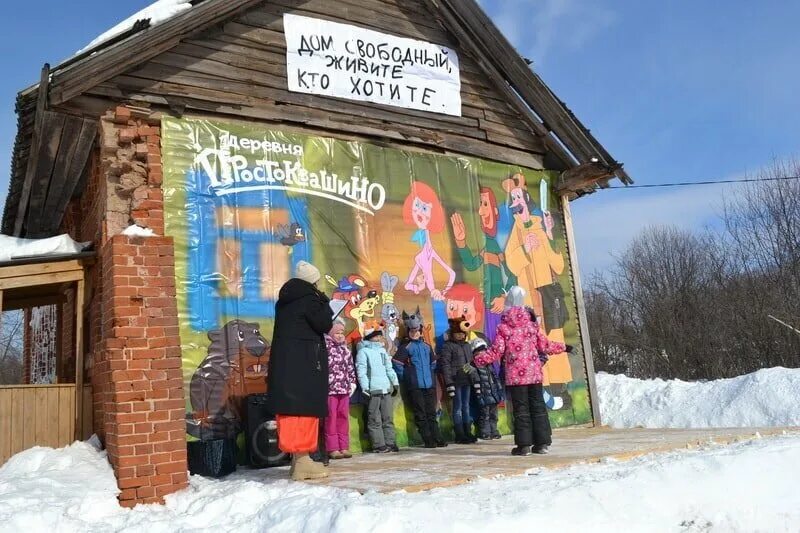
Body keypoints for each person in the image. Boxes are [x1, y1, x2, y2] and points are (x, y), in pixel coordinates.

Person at [474, 286, 573, 456]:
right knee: (538, 407)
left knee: (521, 410)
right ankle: (542, 444)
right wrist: (566, 347)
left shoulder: (504, 328)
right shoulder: (532, 326)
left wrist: (478, 359)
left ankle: (524, 445)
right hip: (534, 375)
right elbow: (546, 346)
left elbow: (496, 352)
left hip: (516, 378)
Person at [268, 261, 333, 480]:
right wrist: (325, 301)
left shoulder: (285, 300)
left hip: (287, 365)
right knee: (305, 410)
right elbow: (324, 324)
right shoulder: (310, 300)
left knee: (291, 410)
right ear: (313, 281)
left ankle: (297, 460)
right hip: (306, 364)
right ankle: (303, 460)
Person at [394, 311, 447, 448]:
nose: (415, 333)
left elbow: (433, 362)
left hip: (429, 384)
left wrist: (430, 373)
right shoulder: (405, 347)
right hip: (415, 386)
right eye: (412, 331)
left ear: (421, 330)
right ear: (408, 332)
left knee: (431, 413)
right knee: (420, 413)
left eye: (417, 330)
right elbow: (397, 363)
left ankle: (437, 437)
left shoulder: (427, 346)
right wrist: (407, 377)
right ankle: (428, 439)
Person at [356, 327, 400, 453]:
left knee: (388, 417)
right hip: (373, 390)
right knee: (374, 418)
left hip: (385, 388)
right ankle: (378, 444)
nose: (380, 338)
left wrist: (395, 383)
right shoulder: (363, 352)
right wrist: (365, 387)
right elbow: (362, 371)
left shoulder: (382, 351)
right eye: (377, 336)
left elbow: (389, 368)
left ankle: (390, 442)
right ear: (371, 337)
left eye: (380, 336)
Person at [439, 317, 479, 444]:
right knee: (457, 407)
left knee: (466, 406)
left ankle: (467, 431)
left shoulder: (467, 346)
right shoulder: (448, 346)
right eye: (458, 333)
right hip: (455, 380)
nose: (460, 335)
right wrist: (449, 382)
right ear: (453, 334)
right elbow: (446, 364)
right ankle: (459, 433)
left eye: (462, 334)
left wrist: (475, 378)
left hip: (466, 379)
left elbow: (470, 364)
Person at [324, 318, 356, 460]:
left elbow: (350, 367)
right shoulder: (325, 347)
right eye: (337, 332)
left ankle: (344, 446)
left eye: (342, 332)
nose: (340, 335)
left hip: (344, 388)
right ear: (330, 333)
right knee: (331, 417)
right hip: (330, 389)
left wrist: (352, 382)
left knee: (343, 417)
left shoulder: (345, 348)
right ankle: (332, 448)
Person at [470, 338, 503, 440]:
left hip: (493, 393)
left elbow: (495, 378)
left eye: (484, 350)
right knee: (485, 414)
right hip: (483, 394)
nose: (482, 353)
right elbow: (472, 378)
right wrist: (478, 393)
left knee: (493, 414)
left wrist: (499, 389)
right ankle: (485, 432)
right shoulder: (473, 365)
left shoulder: (489, 365)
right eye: (479, 350)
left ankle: (494, 430)